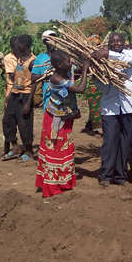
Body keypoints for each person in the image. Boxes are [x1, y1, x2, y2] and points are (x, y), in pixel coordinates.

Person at [35, 50, 91, 197]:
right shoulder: (56, 78)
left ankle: (63, 181)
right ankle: (52, 185)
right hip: (54, 118)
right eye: (67, 61)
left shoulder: (68, 70)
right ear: (59, 65)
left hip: (66, 116)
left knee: (64, 147)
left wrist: (86, 62)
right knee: (55, 148)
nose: (70, 62)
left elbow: (76, 71)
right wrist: (85, 69)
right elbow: (79, 89)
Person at [97, 32, 132, 186]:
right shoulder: (102, 62)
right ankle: (106, 175)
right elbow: (99, 85)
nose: (116, 43)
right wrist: (105, 77)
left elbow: (127, 60)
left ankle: (120, 176)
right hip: (110, 108)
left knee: (125, 143)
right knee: (109, 142)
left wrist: (108, 54)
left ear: (123, 42)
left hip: (130, 107)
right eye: (113, 41)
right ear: (109, 43)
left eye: (118, 41)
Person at [2, 35, 36, 161]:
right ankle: (15, 147)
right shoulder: (20, 59)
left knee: (25, 124)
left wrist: (29, 102)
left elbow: (35, 82)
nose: (16, 46)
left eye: (19, 44)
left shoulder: (33, 61)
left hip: (26, 95)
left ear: (25, 45)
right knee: (8, 121)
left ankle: (29, 150)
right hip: (15, 93)